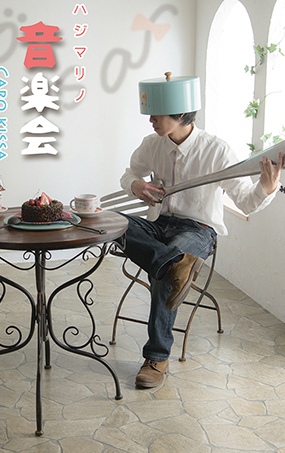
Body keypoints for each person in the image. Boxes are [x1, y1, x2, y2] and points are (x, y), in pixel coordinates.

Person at [119, 73, 283, 389]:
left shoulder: (217, 151)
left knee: (166, 274)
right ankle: (172, 264)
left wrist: (266, 188)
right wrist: (135, 184)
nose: (151, 120)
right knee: (113, 222)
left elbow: (245, 201)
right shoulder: (151, 145)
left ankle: (157, 357)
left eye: (157, 114)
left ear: (181, 114)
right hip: (158, 225)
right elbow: (129, 175)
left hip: (198, 230)